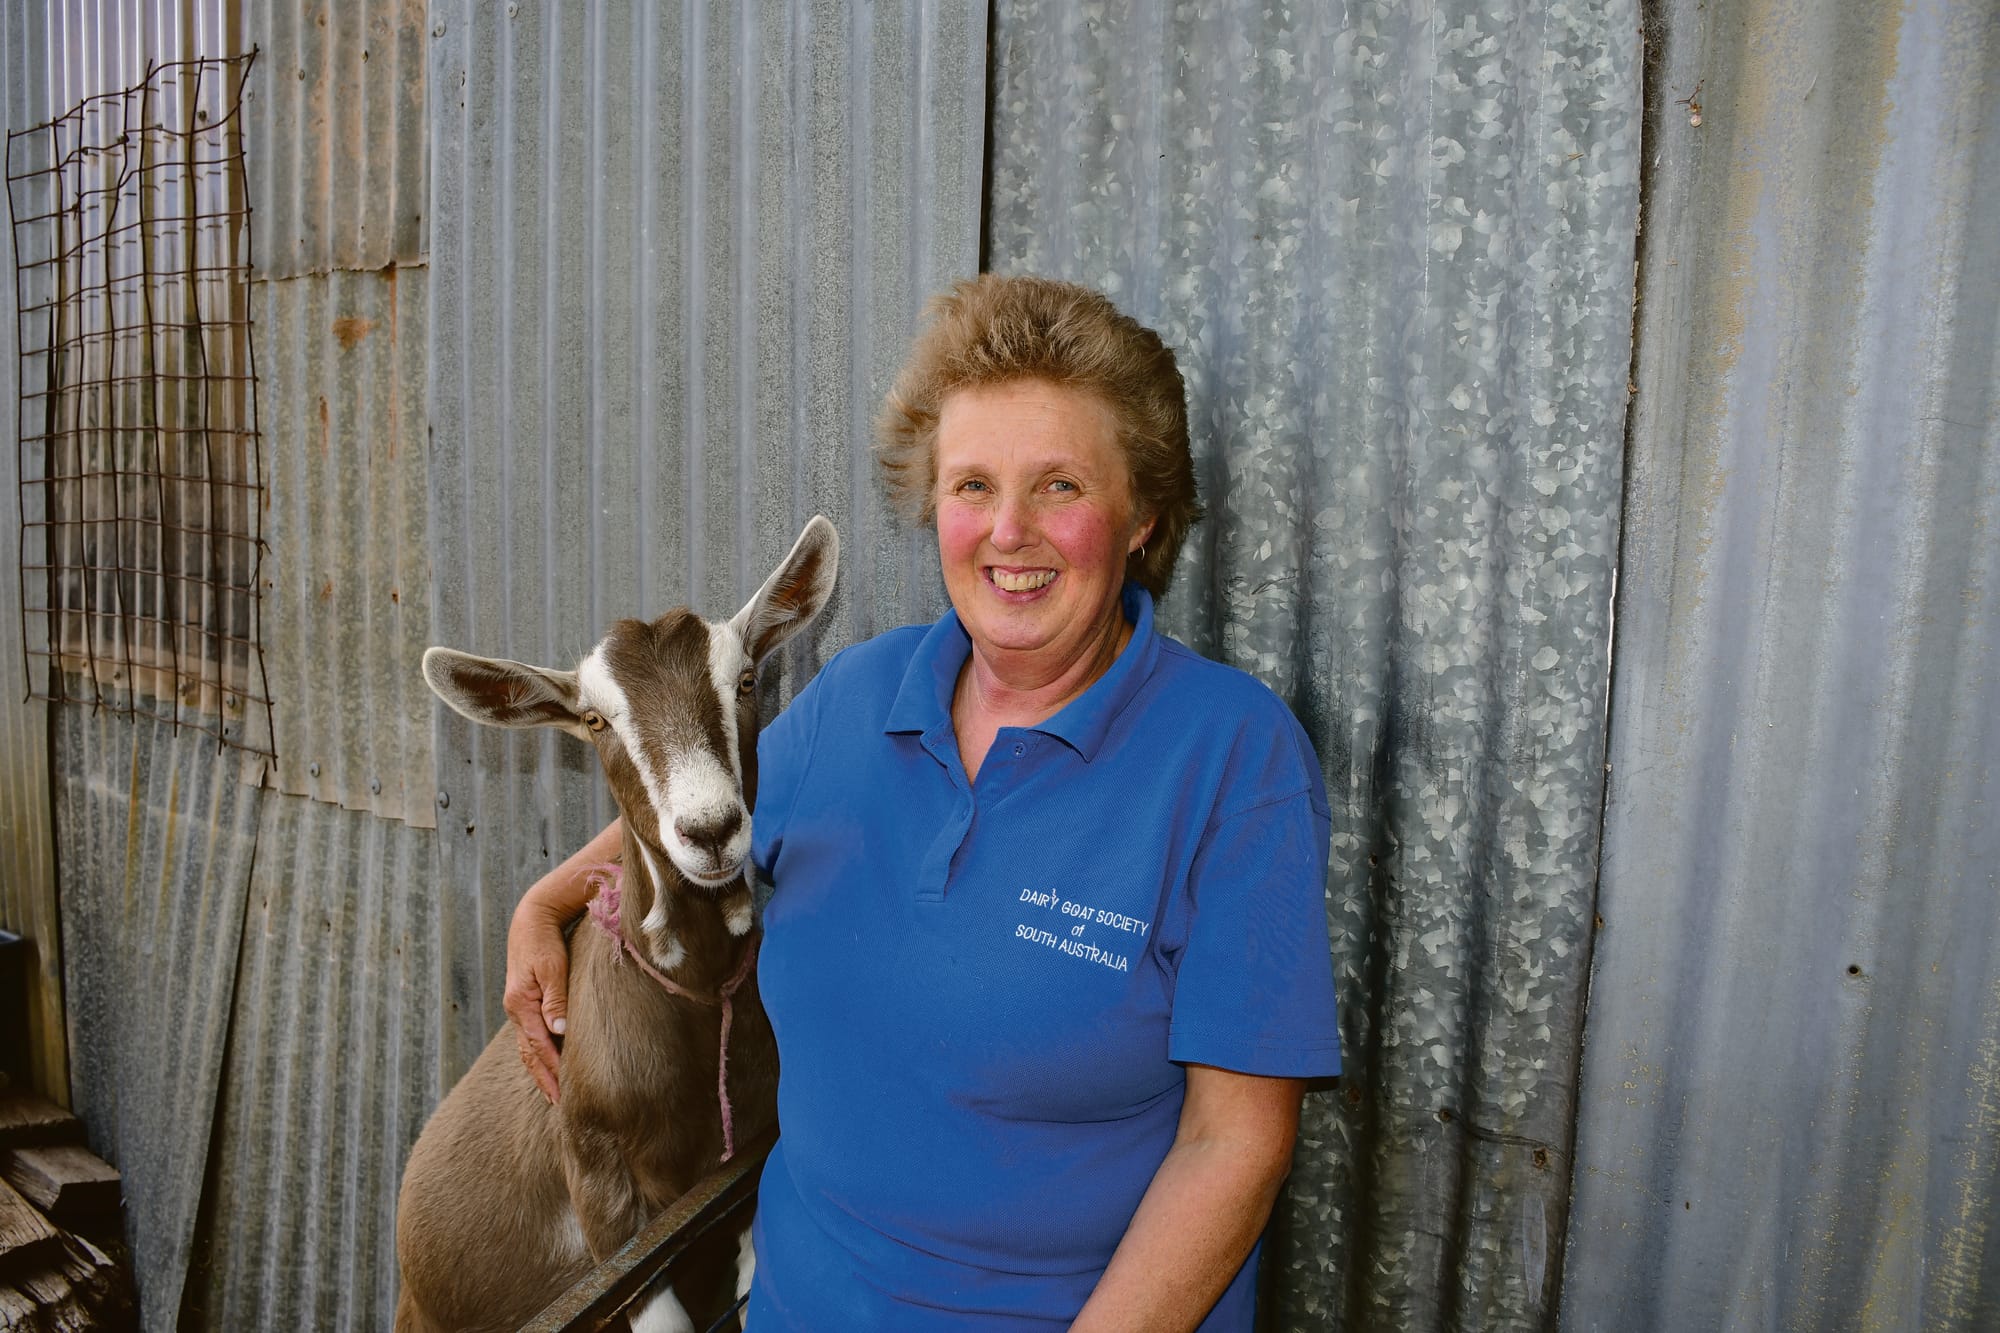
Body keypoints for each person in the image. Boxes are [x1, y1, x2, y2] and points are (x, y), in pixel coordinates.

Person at [504, 274, 1342, 1330]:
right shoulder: (858, 694)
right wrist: (545, 902)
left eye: (1061, 488)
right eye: (971, 487)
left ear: (1142, 518)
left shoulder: (1230, 757)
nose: (1007, 532)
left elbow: (1236, 1143)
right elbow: (696, 815)